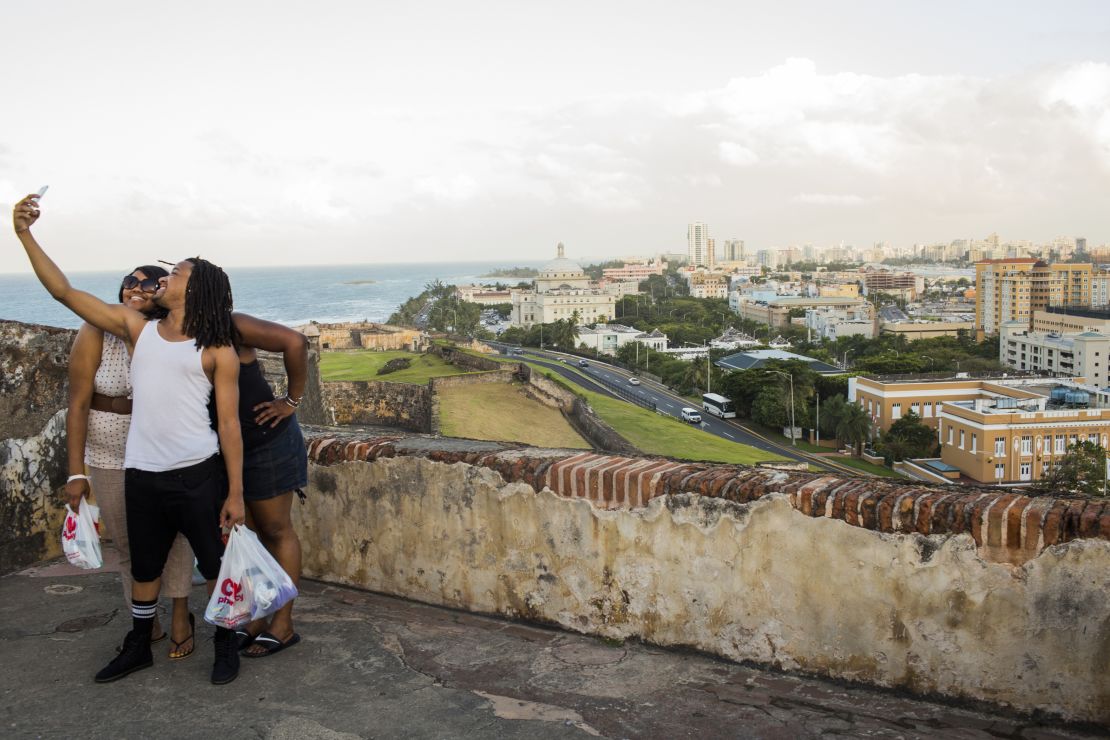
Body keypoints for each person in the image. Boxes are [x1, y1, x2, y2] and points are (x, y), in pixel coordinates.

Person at [13, 193, 246, 685]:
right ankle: (139, 644)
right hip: (140, 472)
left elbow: (229, 426)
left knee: (214, 565)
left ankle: (226, 646)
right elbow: (63, 292)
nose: (163, 280)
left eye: (175, 274)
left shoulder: (217, 349)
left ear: (194, 289)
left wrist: (236, 493)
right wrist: (24, 234)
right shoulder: (136, 329)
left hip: (196, 472)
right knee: (143, 566)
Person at [64, 266, 197, 660]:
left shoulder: (165, 334)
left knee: (174, 536)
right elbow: (78, 403)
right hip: (106, 454)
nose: (136, 289)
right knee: (126, 543)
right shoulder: (96, 332)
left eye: (148, 283)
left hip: (157, 450)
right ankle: (144, 620)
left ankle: (179, 614)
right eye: (130, 282)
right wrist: (76, 473)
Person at [224, 314, 309, 657]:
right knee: (250, 534)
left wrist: (290, 401)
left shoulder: (230, 325)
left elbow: (296, 342)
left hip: (267, 443)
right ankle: (257, 616)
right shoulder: (175, 331)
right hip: (228, 449)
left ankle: (283, 623)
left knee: (276, 530)